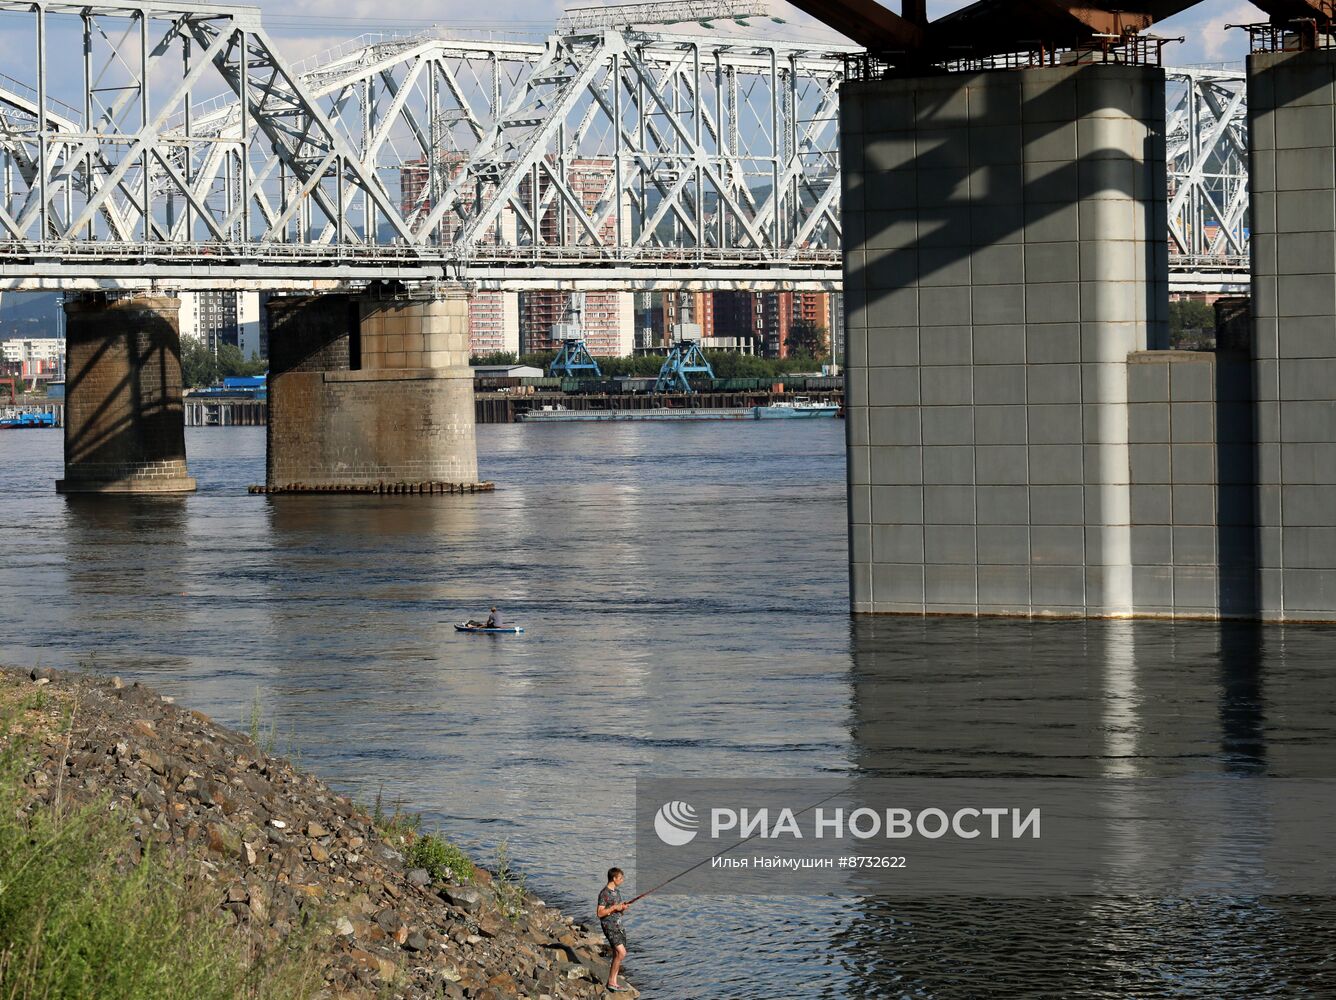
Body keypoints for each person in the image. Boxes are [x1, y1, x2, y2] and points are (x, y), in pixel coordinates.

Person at [596, 867, 630, 992]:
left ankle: (613, 982)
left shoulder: (617, 892)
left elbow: (617, 910)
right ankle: (611, 982)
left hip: (619, 926)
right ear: (614, 878)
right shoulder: (604, 893)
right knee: (622, 953)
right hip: (609, 926)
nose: (622, 880)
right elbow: (600, 913)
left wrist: (622, 908)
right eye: (620, 878)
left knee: (617, 954)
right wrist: (614, 907)